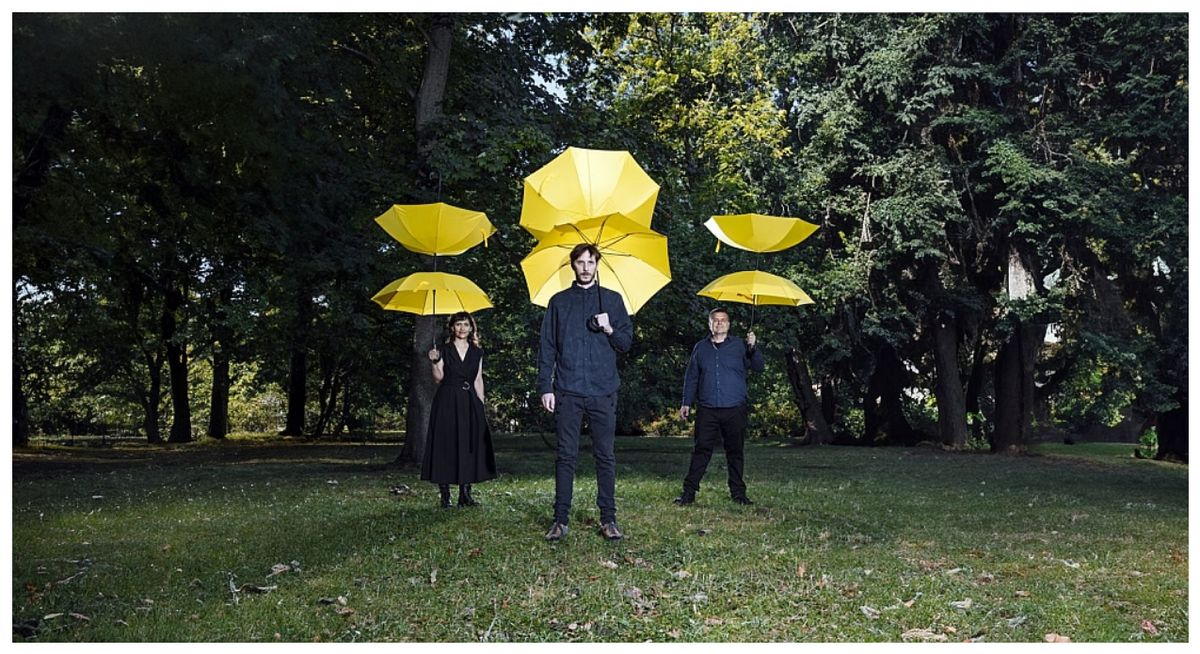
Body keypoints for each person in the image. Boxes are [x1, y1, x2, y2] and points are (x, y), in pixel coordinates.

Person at [537, 243, 633, 541]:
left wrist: (609, 328)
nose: (586, 267)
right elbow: (547, 347)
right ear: (573, 265)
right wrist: (545, 386)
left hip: (604, 390)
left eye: (591, 262)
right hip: (568, 390)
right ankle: (560, 519)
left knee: (605, 456)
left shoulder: (613, 300)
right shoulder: (558, 302)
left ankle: (609, 519)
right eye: (580, 262)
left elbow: (626, 343)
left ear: (597, 265)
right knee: (566, 455)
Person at [674, 307, 764, 506]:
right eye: (715, 320)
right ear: (710, 324)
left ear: (729, 324)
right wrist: (686, 402)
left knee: (735, 452)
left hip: (735, 407)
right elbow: (692, 376)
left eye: (723, 320)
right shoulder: (700, 348)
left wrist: (753, 347)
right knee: (701, 450)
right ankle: (688, 493)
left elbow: (759, 367)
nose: (719, 323)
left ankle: (738, 494)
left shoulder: (741, 346)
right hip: (708, 408)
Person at [421, 311, 496, 508]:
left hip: (470, 400)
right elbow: (438, 378)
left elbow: (478, 379)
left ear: (471, 328)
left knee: (469, 445)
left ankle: (465, 495)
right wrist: (434, 362)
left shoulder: (477, 352)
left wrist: (480, 404)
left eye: (465, 324)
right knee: (445, 445)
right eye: (458, 324)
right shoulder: (443, 350)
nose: (462, 328)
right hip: (447, 400)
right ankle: (445, 496)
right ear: (452, 328)